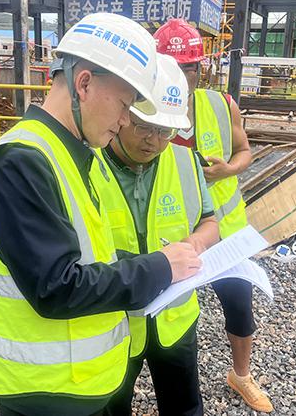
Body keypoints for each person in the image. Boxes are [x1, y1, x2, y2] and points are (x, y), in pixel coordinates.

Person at [0, 13, 202, 416]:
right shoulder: (21, 161)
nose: (125, 120)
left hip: (81, 384)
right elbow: (56, 287)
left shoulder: (72, 154)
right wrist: (158, 268)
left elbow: (92, 258)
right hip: (47, 395)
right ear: (83, 84)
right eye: (125, 105)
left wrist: (163, 263)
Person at [155, 18, 273, 413]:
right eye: (171, 67)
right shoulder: (144, 112)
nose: (181, 76)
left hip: (224, 234)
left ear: (200, 69)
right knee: (164, 317)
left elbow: (245, 151)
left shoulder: (221, 106)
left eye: (188, 68)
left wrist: (228, 170)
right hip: (171, 236)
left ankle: (241, 375)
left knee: (239, 305)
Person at [91, 54, 220, 416]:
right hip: (114, 320)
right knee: (112, 407)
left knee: (184, 406)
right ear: (123, 114)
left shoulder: (184, 161)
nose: (154, 141)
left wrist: (194, 244)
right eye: (144, 127)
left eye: (166, 131)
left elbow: (210, 222)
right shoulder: (87, 165)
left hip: (174, 319)